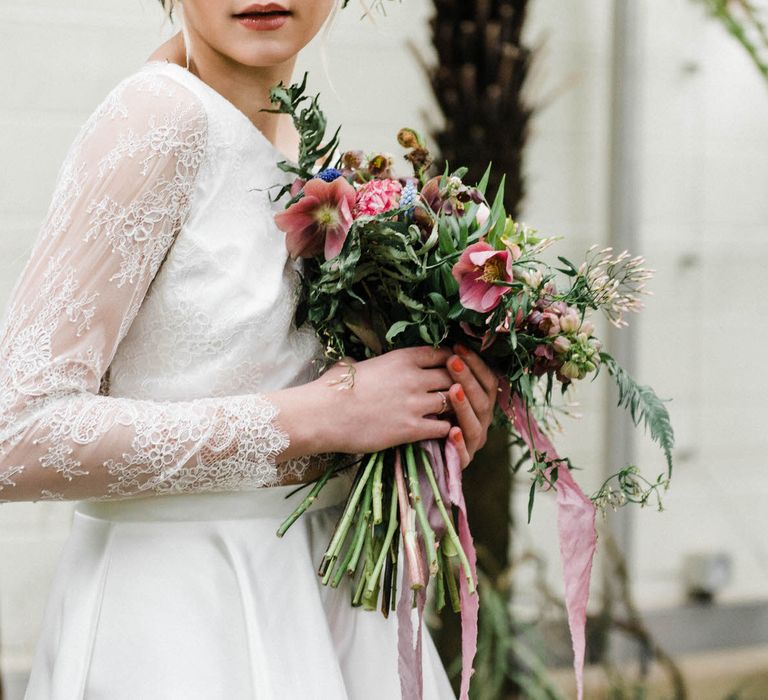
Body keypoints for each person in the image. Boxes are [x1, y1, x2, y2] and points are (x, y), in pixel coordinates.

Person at [0, 1, 498, 697]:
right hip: (181, 621)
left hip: (321, 603)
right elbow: (16, 434)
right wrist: (324, 417)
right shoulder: (156, 119)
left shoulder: (304, 146)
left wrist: (414, 428)